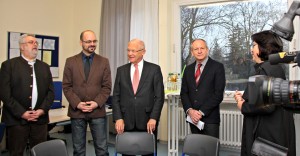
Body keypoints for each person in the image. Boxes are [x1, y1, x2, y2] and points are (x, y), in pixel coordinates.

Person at [234, 30, 295, 156]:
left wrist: (242, 105)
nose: (251, 50)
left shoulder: (267, 69)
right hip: (273, 130)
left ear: (264, 48)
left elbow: (267, 106)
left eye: (254, 45)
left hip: (267, 134)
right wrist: (245, 98)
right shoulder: (274, 67)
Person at [0, 34, 55, 156]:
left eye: (36, 43)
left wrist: (41, 110)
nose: (35, 45)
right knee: (16, 152)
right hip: (16, 120)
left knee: (40, 152)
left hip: (40, 120)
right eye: (31, 42)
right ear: (22, 47)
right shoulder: (9, 66)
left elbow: (51, 93)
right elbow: (5, 94)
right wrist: (22, 113)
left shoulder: (44, 67)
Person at [62, 30, 112, 156]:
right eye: (88, 41)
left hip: (97, 111)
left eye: (94, 41)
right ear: (81, 42)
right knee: (78, 150)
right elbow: (67, 86)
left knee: (102, 149)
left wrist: (96, 103)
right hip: (77, 112)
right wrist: (77, 103)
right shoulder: (70, 61)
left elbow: (107, 87)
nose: (92, 44)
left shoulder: (104, 61)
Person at [112, 39, 164, 156]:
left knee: (148, 153)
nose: (130, 53)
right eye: (128, 50)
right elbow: (116, 96)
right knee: (127, 153)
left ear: (143, 52)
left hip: (148, 121)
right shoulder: (121, 70)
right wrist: (118, 118)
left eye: (134, 51)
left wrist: (154, 118)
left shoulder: (154, 69)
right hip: (126, 121)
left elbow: (159, 97)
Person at [180, 39, 226, 138]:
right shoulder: (188, 70)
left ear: (207, 50)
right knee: (197, 150)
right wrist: (190, 111)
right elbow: (184, 93)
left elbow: (218, 94)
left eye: (202, 48)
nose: (199, 51)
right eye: (196, 49)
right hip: (192, 118)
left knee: (210, 151)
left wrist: (200, 113)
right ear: (192, 52)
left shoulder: (218, 67)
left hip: (210, 119)